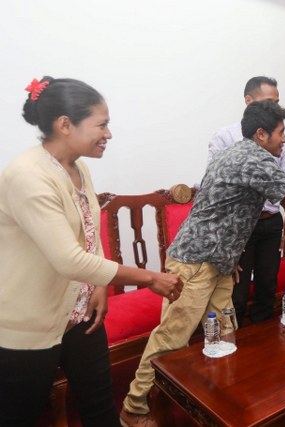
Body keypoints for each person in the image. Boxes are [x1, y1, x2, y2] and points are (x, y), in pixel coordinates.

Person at [120, 100, 285, 426]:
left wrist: (228, 254)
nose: (284, 139)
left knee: (225, 333)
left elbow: (221, 208)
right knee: (172, 337)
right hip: (196, 261)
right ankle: (134, 407)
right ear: (261, 134)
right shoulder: (254, 160)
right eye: (280, 133)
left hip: (219, 260)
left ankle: (222, 402)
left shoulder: (237, 153)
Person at [0, 76, 182, 427]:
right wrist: (150, 278)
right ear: (65, 124)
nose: (108, 134)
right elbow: (68, 259)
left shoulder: (78, 166)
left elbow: (89, 231)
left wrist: (98, 285)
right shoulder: (28, 176)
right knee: (18, 416)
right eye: (101, 124)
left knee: (99, 405)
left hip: (82, 312)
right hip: (31, 321)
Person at [208, 76, 285, 327]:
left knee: (267, 288)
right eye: (270, 101)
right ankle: (235, 342)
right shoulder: (225, 137)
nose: (275, 107)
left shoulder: (277, 138)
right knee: (236, 292)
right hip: (240, 229)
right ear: (248, 101)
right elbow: (217, 191)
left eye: (277, 102)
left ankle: (264, 343)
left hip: (271, 223)